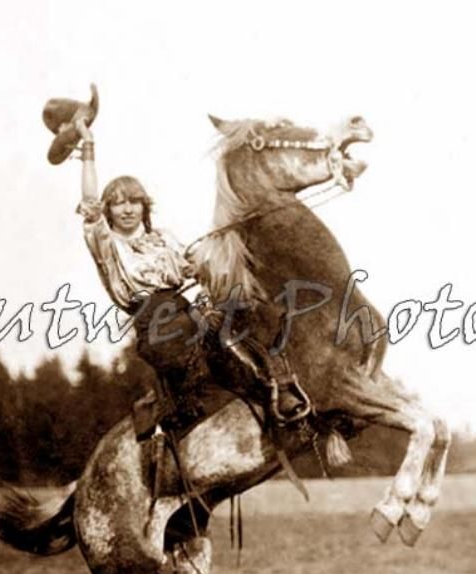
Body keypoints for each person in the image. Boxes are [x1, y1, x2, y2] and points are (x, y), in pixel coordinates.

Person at [67, 113, 310, 435]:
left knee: (257, 318)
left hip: (186, 311)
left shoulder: (165, 238)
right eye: (117, 204)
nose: (126, 210)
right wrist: (88, 147)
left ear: (144, 206)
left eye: (133, 202)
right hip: (156, 325)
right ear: (108, 210)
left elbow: (200, 266)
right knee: (204, 337)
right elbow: (88, 202)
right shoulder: (106, 244)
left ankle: (287, 402)